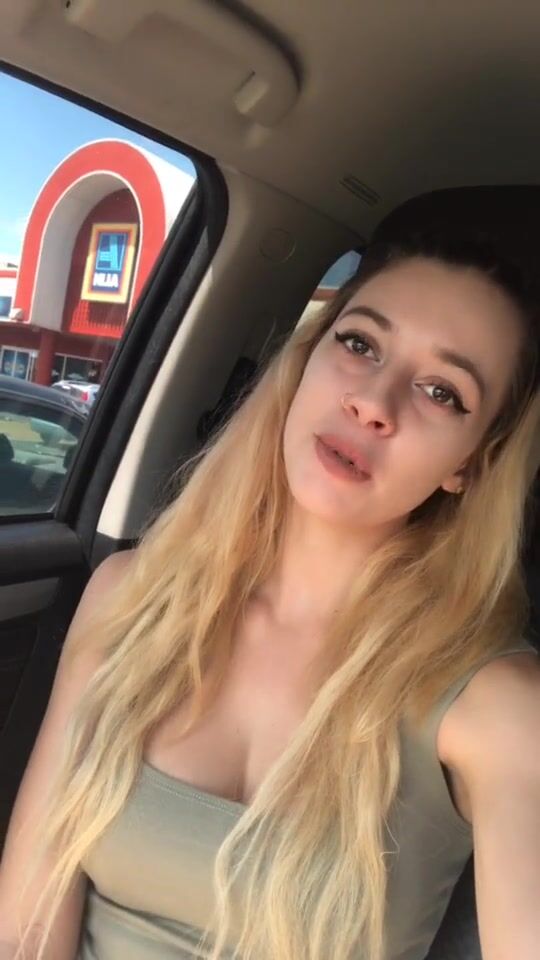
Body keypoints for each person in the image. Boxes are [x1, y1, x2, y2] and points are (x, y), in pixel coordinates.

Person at [0, 219, 539, 960]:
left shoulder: (498, 706)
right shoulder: (130, 596)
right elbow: (25, 924)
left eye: (442, 392)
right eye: (359, 344)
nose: (374, 402)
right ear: (305, 361)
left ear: (470, 465)